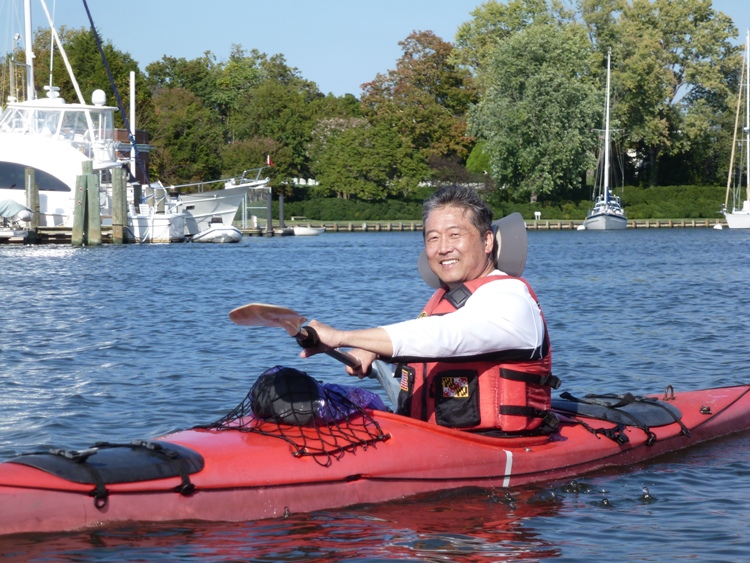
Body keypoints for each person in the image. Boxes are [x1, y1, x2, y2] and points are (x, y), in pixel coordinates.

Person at [301, 185, 559, 435]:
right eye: (433, 238)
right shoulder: (447, 299)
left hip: (500, 441)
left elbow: (446, 336)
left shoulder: (511, 300)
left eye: (455, 235)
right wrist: (374, 351)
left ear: (487, 240)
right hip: (432, 434)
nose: (443, 247)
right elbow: (425, 347)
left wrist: (342, 337)